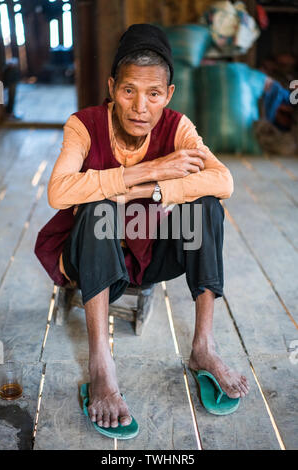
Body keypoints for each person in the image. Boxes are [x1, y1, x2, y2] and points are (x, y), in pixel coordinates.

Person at [36, 24, 249, 430]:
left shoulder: (177, 127)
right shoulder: (83, 125)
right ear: (112, 87)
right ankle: (101, 365)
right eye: (129, 91)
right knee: (97, 209)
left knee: (206, 207)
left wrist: (153, 190)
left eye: (153, 94)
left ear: (167, 96)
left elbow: (224, 181)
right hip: (92, 257)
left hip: (150, 252)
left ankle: (203, 347)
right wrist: (148, 170)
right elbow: (58, 192)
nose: (140, 107)